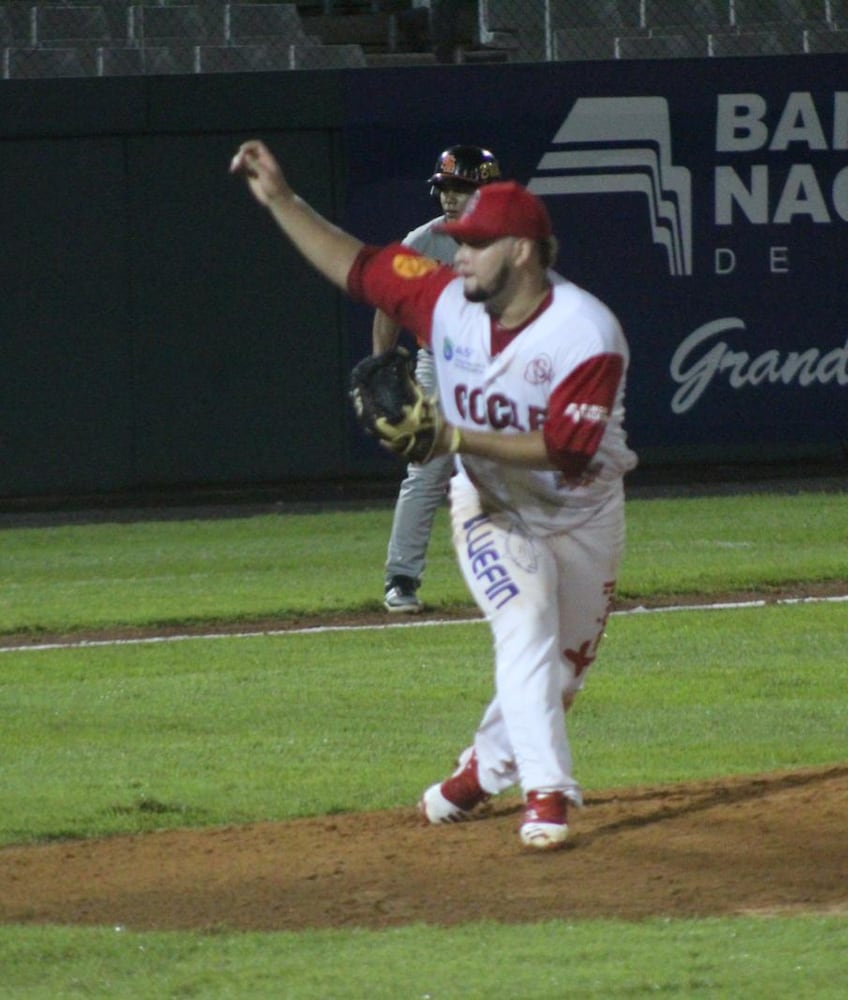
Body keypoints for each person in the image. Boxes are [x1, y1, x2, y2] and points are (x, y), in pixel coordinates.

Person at [231, 140, 637, 850]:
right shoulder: (441, 297)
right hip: (490, 507)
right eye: (458, 243)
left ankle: (474, 776)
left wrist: (454, 437)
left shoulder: (586, 333)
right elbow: (355, 265)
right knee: (525, 621)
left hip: (583, 511)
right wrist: (282, 201)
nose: (459, 256)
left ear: (521, 250)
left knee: (562, 676)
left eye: (475, 245)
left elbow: (567, 450)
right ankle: (547, 794)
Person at [379, 145, 501, 614]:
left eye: (462, 188)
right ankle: (401, 578)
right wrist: (382, 363)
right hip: (440, 361)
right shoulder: (423, 242)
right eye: (446, 187)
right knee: (427, 466)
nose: (451, 197)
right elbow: (389, 302)